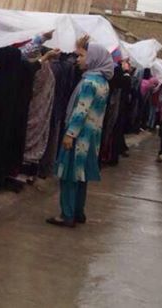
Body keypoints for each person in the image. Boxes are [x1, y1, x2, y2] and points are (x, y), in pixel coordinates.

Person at [47, 43, 113, 228]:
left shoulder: (89, 82)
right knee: (81, 175)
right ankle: (78, 211)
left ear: (93, 58)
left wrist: (70, 134)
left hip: (79, 136)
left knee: (68, 175)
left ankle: (66, 215)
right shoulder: (103, 82)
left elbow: (80, 111)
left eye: (82, 55)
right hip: (92, 136)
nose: (78, 59)